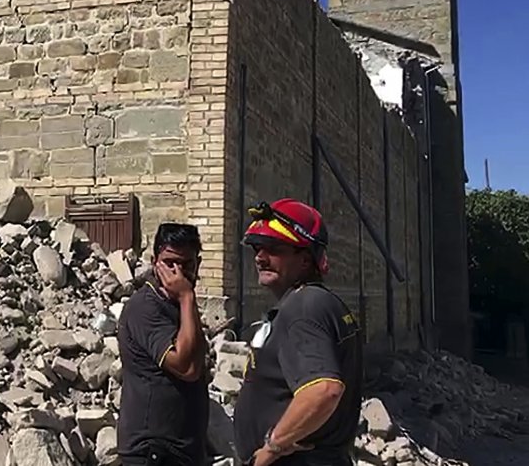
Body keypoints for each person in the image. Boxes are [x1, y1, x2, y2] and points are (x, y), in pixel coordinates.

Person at [233, 199, 363, 466]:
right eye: (257, 247)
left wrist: (272, 448)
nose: (259, 257)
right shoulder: (315, 302)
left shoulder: (304, 308)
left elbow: (324, 390)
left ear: (305, 260)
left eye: (273, 249)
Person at [117, 223, 209, 466]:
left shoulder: (179, 306)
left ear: (197, 263)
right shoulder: (145, 307)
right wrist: (187, 297)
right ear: (154, 260)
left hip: (180, 449)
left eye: (186, 265)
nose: (178, 274)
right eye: (170, 263)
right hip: (154, 450)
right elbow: (186, 367)